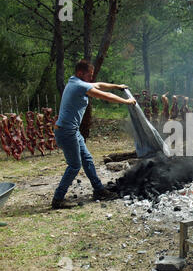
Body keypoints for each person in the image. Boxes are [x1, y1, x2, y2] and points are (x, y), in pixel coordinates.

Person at [51, 59, 137, 209]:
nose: (91, 77)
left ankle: (99, 190)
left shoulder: (74, 81)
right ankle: (58, 199)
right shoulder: (79, 85)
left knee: (87, 159)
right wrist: (127, 102)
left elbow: (99, 85)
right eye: (89, 74)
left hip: (72, 130)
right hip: (66, 131)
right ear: (80, 73)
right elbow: (104, 96)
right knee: (74, 165)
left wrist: (118, 86)